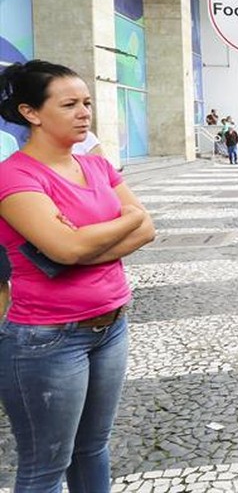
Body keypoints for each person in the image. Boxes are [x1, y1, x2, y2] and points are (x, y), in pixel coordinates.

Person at [0, 60, 155, 492]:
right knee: (45, 467)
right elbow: (65, 248)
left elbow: (145, 227)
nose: (84, 113)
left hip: (111, 325)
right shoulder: (14, 175)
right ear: (31, 113)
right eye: (69, 105)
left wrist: (84, 246)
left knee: (93, 449)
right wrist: (117, 224)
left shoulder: (97, 167)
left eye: (86, 103)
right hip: (47, 338)